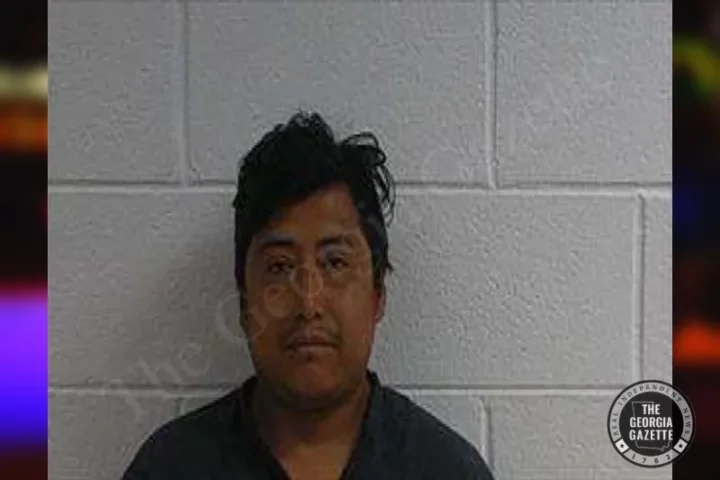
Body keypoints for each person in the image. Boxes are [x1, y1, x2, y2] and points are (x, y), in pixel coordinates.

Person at [121, 111, 495, 480]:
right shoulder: (170, 467)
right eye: (279, 267)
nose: (308, 304)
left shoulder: (447, 470)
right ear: (243, 302)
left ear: (378, 294)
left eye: (335, 263)